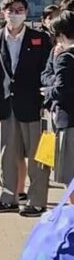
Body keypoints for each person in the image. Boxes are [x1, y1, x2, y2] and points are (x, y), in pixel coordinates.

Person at [0, 0, 54, 217]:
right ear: (3, 13)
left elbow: (46, 71)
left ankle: (37, 201)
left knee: (36, 154)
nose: (15, 14)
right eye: (10, 10)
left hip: (33, 104)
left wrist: (45, 99)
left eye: (19, 10)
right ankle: (7, 197)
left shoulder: (39, 38)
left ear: (26, 12)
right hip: (5, 103)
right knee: (8, 153)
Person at [46, 10, 74, 187]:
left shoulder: (65, 57)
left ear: (62, 34)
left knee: (69, 176)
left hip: (69, 120)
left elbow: (61, 89)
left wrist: (47, 92)